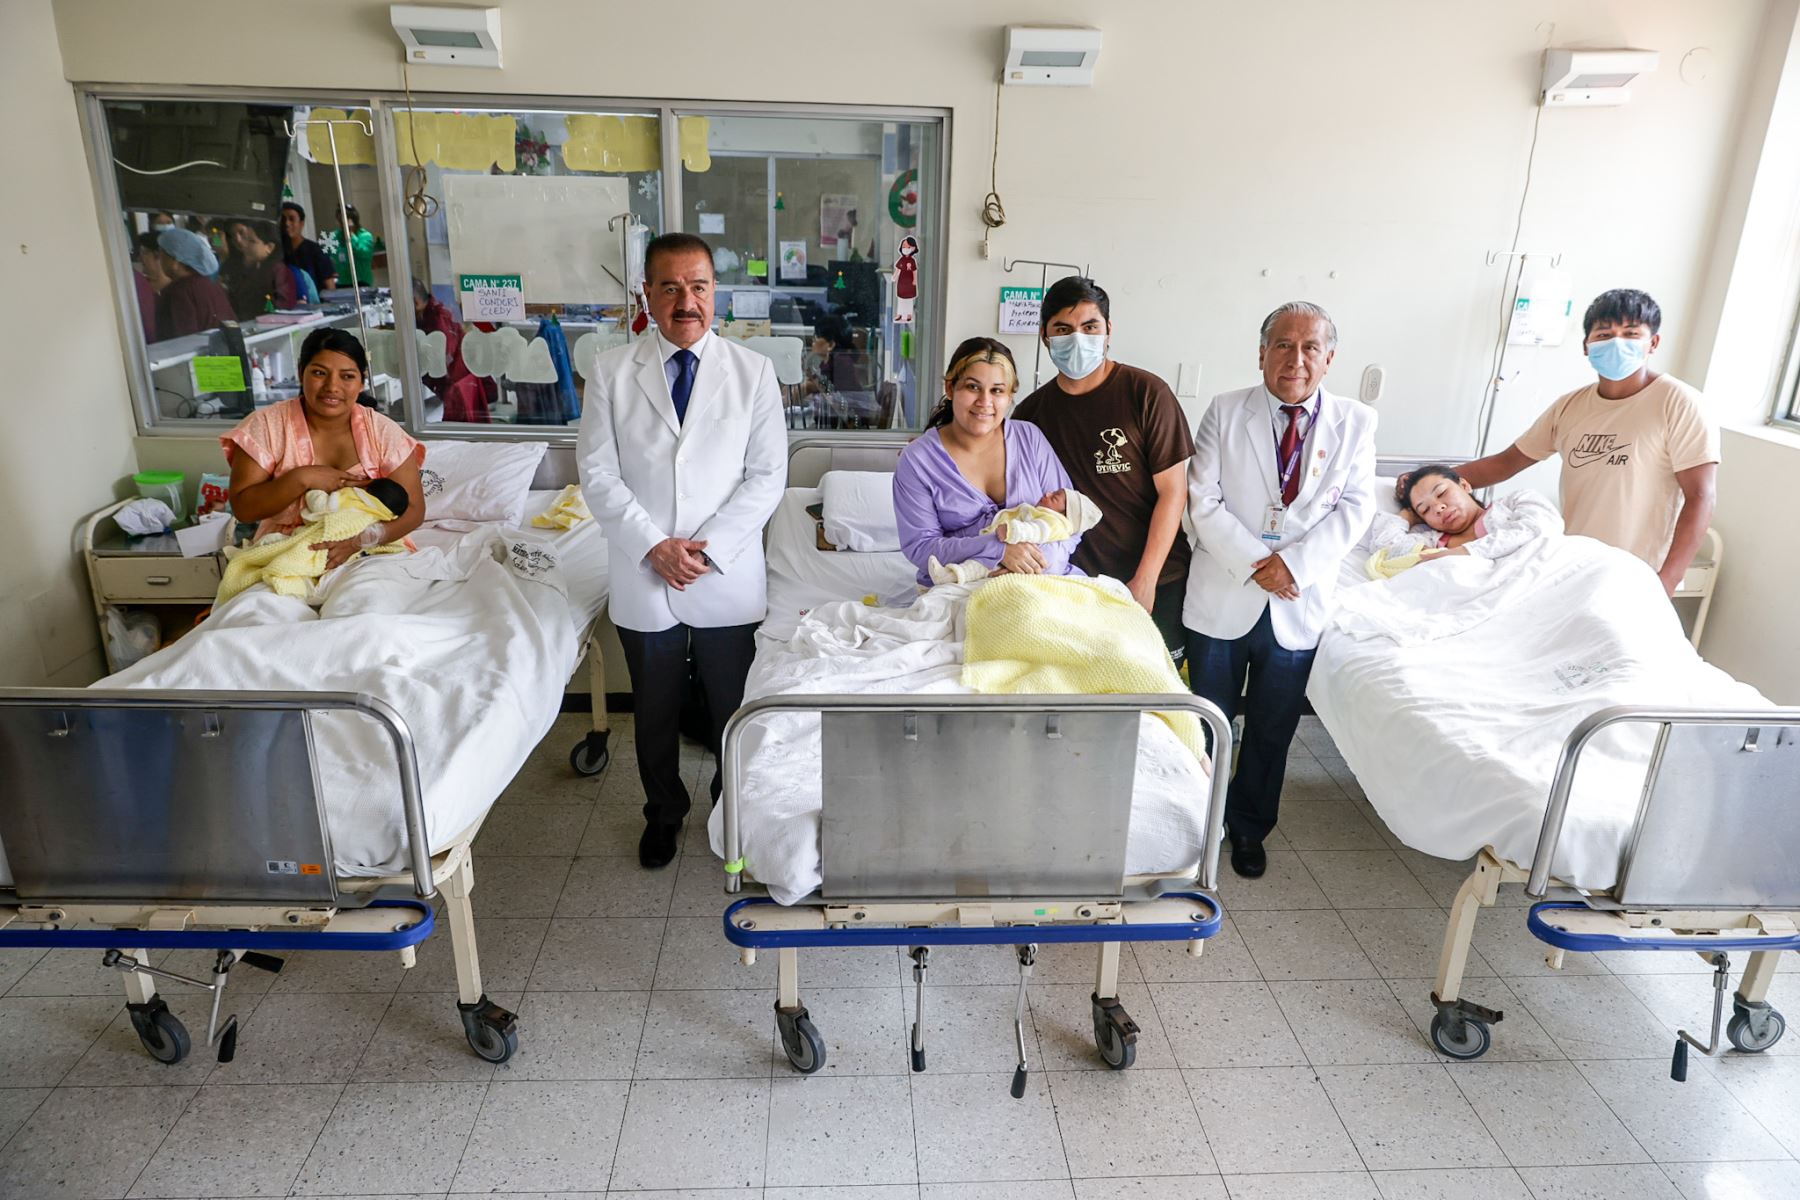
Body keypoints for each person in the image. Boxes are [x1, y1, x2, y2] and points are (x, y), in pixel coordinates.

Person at [577, 232, 786, 869]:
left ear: (715, 292)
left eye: (698, 286)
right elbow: (597, 474)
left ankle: (729, 808)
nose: (685, 301)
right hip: (644, 571)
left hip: (725, 574)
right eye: (669, 287)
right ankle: (663, 813)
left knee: (730, 709)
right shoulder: (611, 371)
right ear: (647, 293)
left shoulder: (753, 372)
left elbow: (767, 476)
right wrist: (654, 546)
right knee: (655, 710)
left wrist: (706, 548)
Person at [1184, 301, 1378, 879]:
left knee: (1272, 728)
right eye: (1283, 345)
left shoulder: (1356, 422)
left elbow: (1356, 508)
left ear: (1329, 358)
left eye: (1310, 347)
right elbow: (1203, 500)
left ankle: (1248, 827)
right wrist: (1255, 563)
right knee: (1207, 721)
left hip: (1298, 599)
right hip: (1224, 591)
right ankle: (1198, 823)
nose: (1296, 359)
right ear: (1262, 353)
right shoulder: (1225, 410)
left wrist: (1291, 566)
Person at [1456, 289, 1719, 595]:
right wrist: (1426, 480)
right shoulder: (1570, 407)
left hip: (1638, 573)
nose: (1617, 343)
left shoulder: (1679, 403)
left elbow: (1701, 496)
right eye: (1604, 334)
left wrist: (1667, 581)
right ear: (1586, 346)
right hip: (1573, 564)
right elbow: (1505, 463)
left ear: (1653, 343)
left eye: (1631, 333)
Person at [1011, 276, 1195, 662]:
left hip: (1155, 579)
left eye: (1090, 326)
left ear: (1108, 330)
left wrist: (1145, 581)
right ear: (1045, 336)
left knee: (1156, 687)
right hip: (1074, 586)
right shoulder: (1031, 415)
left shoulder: (1146, 394)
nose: (1077, 339)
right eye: (1063, 329)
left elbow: (1173, 492)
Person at [222, 327, 426, 565]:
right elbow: (244, 509)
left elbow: (414, 510)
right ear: (301, 373)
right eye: (319, 373)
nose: (332, 386)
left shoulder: (382, 432)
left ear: (362, 382)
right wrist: (302, 478)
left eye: (347, 376)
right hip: (287, 548)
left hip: (371, 549)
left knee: (368, 589)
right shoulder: (266, 426)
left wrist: (361, 541)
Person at [893, 337, 1086, 588]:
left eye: (997, 390)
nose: (984, 402)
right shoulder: (917, 460)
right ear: (950, 388)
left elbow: (1071, 521)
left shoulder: (1030, 439)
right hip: (960, 585)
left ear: (1010, 396)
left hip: (1044, 579)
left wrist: (1034, 567)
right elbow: (921, 547)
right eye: (973, 387)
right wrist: (997, 550)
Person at [1364, 465, 1561, 575]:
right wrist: (1407, 515)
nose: (1438, 508)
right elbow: (1384, 548)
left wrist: (1463, 552)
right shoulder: (1430, 541)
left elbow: (1542, 528)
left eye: (1442, 493)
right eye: (1425, 509)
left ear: (1464, 485)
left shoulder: (1516, 502)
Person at [153, 227, 234, 341]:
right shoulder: (212, 284)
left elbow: (179, 342)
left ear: (175, 260)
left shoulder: (176, 293)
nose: (159, 260)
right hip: (226, 352)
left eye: (161, 254)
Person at [223, 218, 297, 319]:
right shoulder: (252, 268)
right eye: (245, 240)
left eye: (251, 241)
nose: (244, 245)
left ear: (269, 247)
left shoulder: (279, 271)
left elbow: (281, 306)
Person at [280, 200, 338, 292]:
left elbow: (330, 287)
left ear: (301, 223)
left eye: (292, 219)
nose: (287, 224)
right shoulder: (276, 252)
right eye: (283, 220)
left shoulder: (315, 251)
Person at [326, 204, 383, 290]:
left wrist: (350, 235)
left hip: (361, 282)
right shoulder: (335, 236)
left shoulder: (365, 236)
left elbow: (363, 253)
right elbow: (327, 255)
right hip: (341, 282)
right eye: (340, 221)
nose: (341, 225)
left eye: (343, 221)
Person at [132, 230, 169, 343]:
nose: (140, 258)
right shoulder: (138, 286)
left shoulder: (178, 289)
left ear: (158, 254)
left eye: (144, 253)